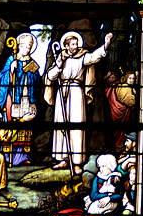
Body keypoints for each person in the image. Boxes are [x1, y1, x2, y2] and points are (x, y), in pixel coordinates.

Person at [45, 29, 113, 174]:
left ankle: (76, 162)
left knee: (76, 127)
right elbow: (50, 76)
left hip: (76, 93)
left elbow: (94, 57)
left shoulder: (82, 57)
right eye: (72, 44)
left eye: (76, 43)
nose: (75, 46)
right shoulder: (60, 58)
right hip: (62, 93)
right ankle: (63, 159)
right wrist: (57, 66)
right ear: (66, 45)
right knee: (61, 125)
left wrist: (105, 46)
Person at [0, 31, 43, 166]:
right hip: (14, 97)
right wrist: (11, 70)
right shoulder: (12, 59)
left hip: (27, 96)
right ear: (19, 46)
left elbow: (37, 81)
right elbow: (2, 77)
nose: (27, 49)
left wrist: (30, 74)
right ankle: (6, 156)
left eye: (29, 47)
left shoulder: (31, 63)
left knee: (26, 126)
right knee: (12, 123)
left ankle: (23, 157)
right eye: (24, 47)